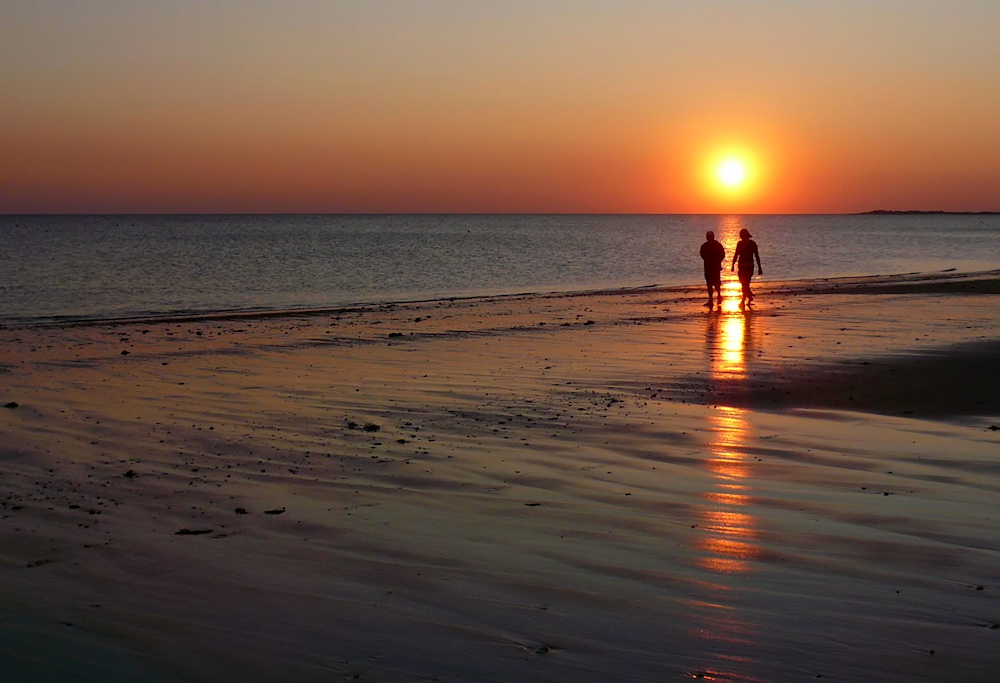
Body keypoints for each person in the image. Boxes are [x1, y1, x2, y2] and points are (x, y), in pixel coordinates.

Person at [731, 228, 762, 307]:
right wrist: (733, 265)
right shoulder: (740, 244)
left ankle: (744, 300)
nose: (741, 237)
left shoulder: (752, 244)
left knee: (746, 283)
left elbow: (756, 256)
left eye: (742, 235)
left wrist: (759, 267)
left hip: (749, 266)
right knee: (743, 283)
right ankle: (749, 296)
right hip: (741, 266)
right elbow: (736, 254)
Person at [699, 231, 725, 309]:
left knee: (717, 283)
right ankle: (711, 300)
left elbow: (722, 254)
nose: (708, 237)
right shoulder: (704, 246)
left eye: (710, 236)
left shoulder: (717, 245)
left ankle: (719, 296)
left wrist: (718, 261)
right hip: (708, 267)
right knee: (709, 284)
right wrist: (708, 260)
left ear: (713, 236)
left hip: (715, 266)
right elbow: (702, 254)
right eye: (707, 236)